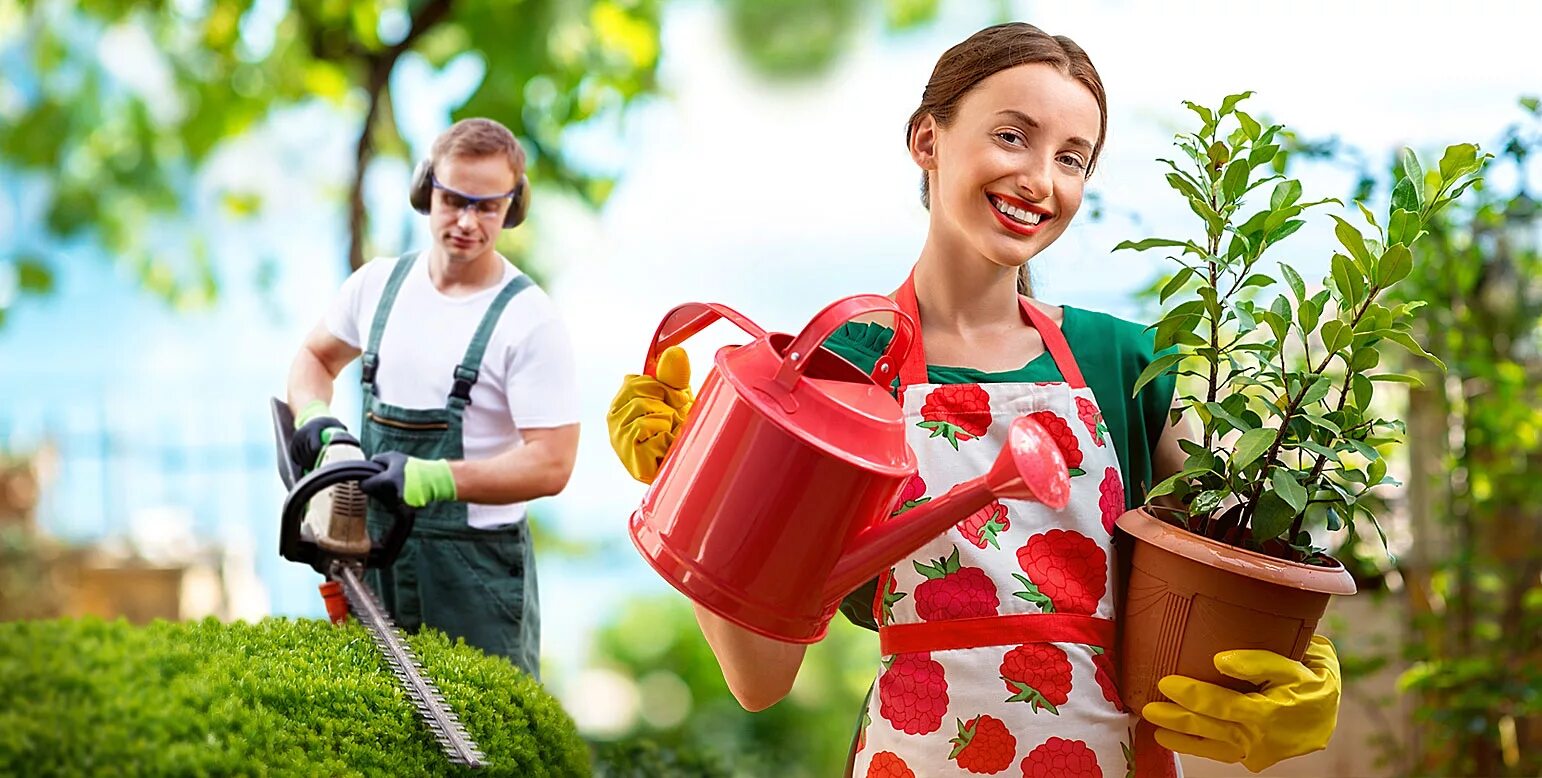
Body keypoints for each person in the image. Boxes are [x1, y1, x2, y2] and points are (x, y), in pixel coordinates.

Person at [606, 23, 1341, 777]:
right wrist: (690, 495)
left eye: (1070, 159)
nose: (1039, 179)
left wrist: (1302, 661)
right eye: (1013, 136)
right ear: (928, 139)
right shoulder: (839, 377)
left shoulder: (1127, 363)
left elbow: (1232, 566)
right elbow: (761, 680)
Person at [286, 118, 580, 678]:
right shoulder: (377, 286)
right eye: (454, 201)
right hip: (372, 557)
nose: (467, 222)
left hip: (475, 576)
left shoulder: (528, 319)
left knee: (487, 751)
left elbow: (553, 462)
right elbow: (313, 360)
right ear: (427, 191)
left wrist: (435, 478)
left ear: (511, 208)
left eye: (487, 207)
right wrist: (317, 420)